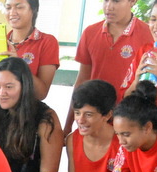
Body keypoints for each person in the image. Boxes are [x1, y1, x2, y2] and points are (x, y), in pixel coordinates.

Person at [64, 0, 152, 136]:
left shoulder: (148, 34)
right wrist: (68, 124)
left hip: (130, 122)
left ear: (132, 1)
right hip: (94, 119)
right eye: (105, 0)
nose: (109, 6)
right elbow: (82, 80)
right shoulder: (90, 32)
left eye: (116, 1)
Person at [122, 0, 157, 114]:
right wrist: (136, 82)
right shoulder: (144, 51)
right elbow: (125, 98)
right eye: (153, 19)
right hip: (143, 126)